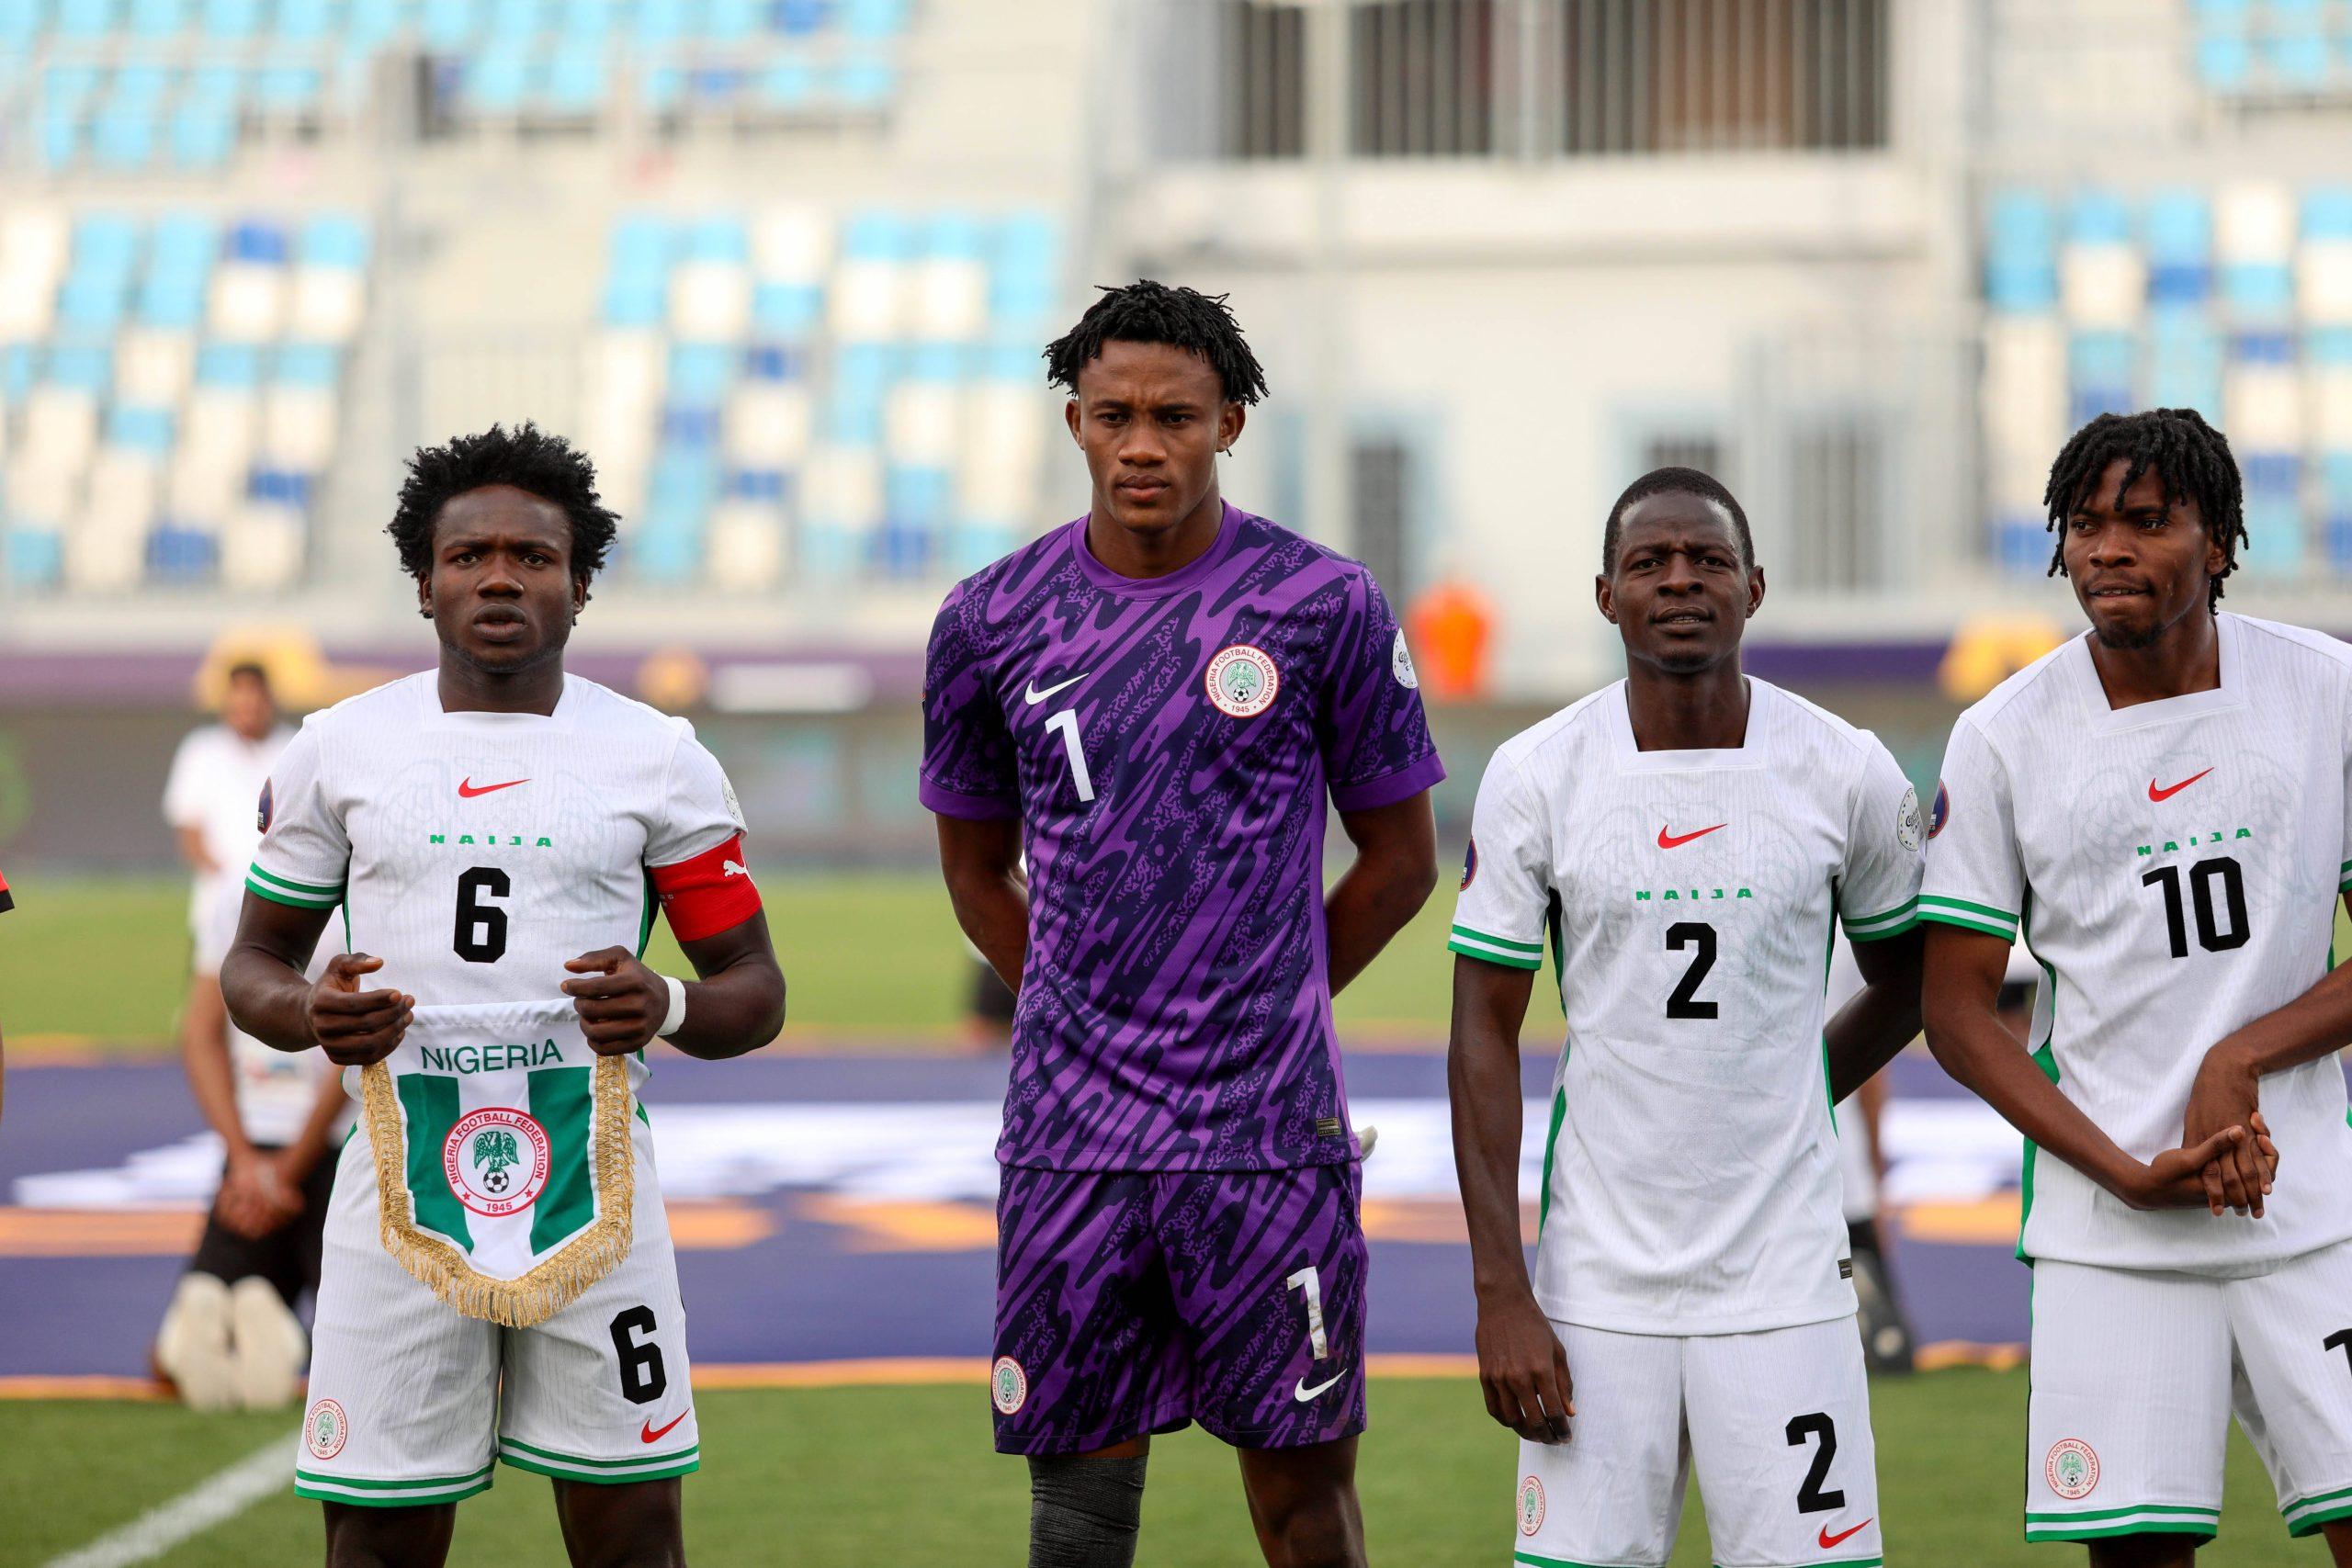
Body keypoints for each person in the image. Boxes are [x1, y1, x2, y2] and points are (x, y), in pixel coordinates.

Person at [922, 280, 1442, 1568]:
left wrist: (1268, 994)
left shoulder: (1323, 604)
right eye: (1114, 416)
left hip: (1267, 1132)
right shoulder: (991, 617)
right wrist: (1078, 1004)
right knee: (1079, 1510)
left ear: (1232, 422)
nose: (1142, 443)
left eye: (1174, 416)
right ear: (1074, 423)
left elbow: (1401, 857)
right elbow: (979, 867)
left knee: (1303, 1500)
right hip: (1071, 1137)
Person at [220, 423, 787, 1568]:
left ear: (580, 585)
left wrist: (665, 1006)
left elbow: (755, 991)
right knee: (377, 1539)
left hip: (599, 1182)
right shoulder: (340, 748)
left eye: (531, 557)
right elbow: (252, 964)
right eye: (467, 554)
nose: (497, 577)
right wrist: (307, 1014)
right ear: (422, 582)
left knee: (632, 1531)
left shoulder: (657, 755)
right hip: (394, 1184)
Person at [1448, 467, 1926, 1568]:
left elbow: (1908, 980)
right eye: (1648, 562)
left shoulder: (1842, 767)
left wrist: (1793, 1086)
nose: (1678, 581)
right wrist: (1501, 1295)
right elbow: (1481, 1031)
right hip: (1592, 1289)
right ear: (1605, 594)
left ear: (1753, 588)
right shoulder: (1536, 774)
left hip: (1788, 1278)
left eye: (1706, 561)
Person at [1918, 407, 2352, 1562]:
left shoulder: (2324, 692)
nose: (2107, 547)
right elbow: (1956, 1013)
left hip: (2313, 1212)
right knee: (2137, 1554)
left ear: (2220, 543)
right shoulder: (2003, 734)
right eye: (2085, 524)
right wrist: (2125, 1171)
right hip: (2108, 1230)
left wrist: (2237, 1059)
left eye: (2148, 521)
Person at [155, 660, 349, 1411]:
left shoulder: (230, 904)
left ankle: (230, 1306)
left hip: (264, 1142)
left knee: (178, 1352)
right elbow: (353, 1051)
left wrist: (247, 1162)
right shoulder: (359, 902)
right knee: (363, 1340)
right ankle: (263, 1318)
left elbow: (198, 1035)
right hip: (325, 1147)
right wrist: (282, 1169)